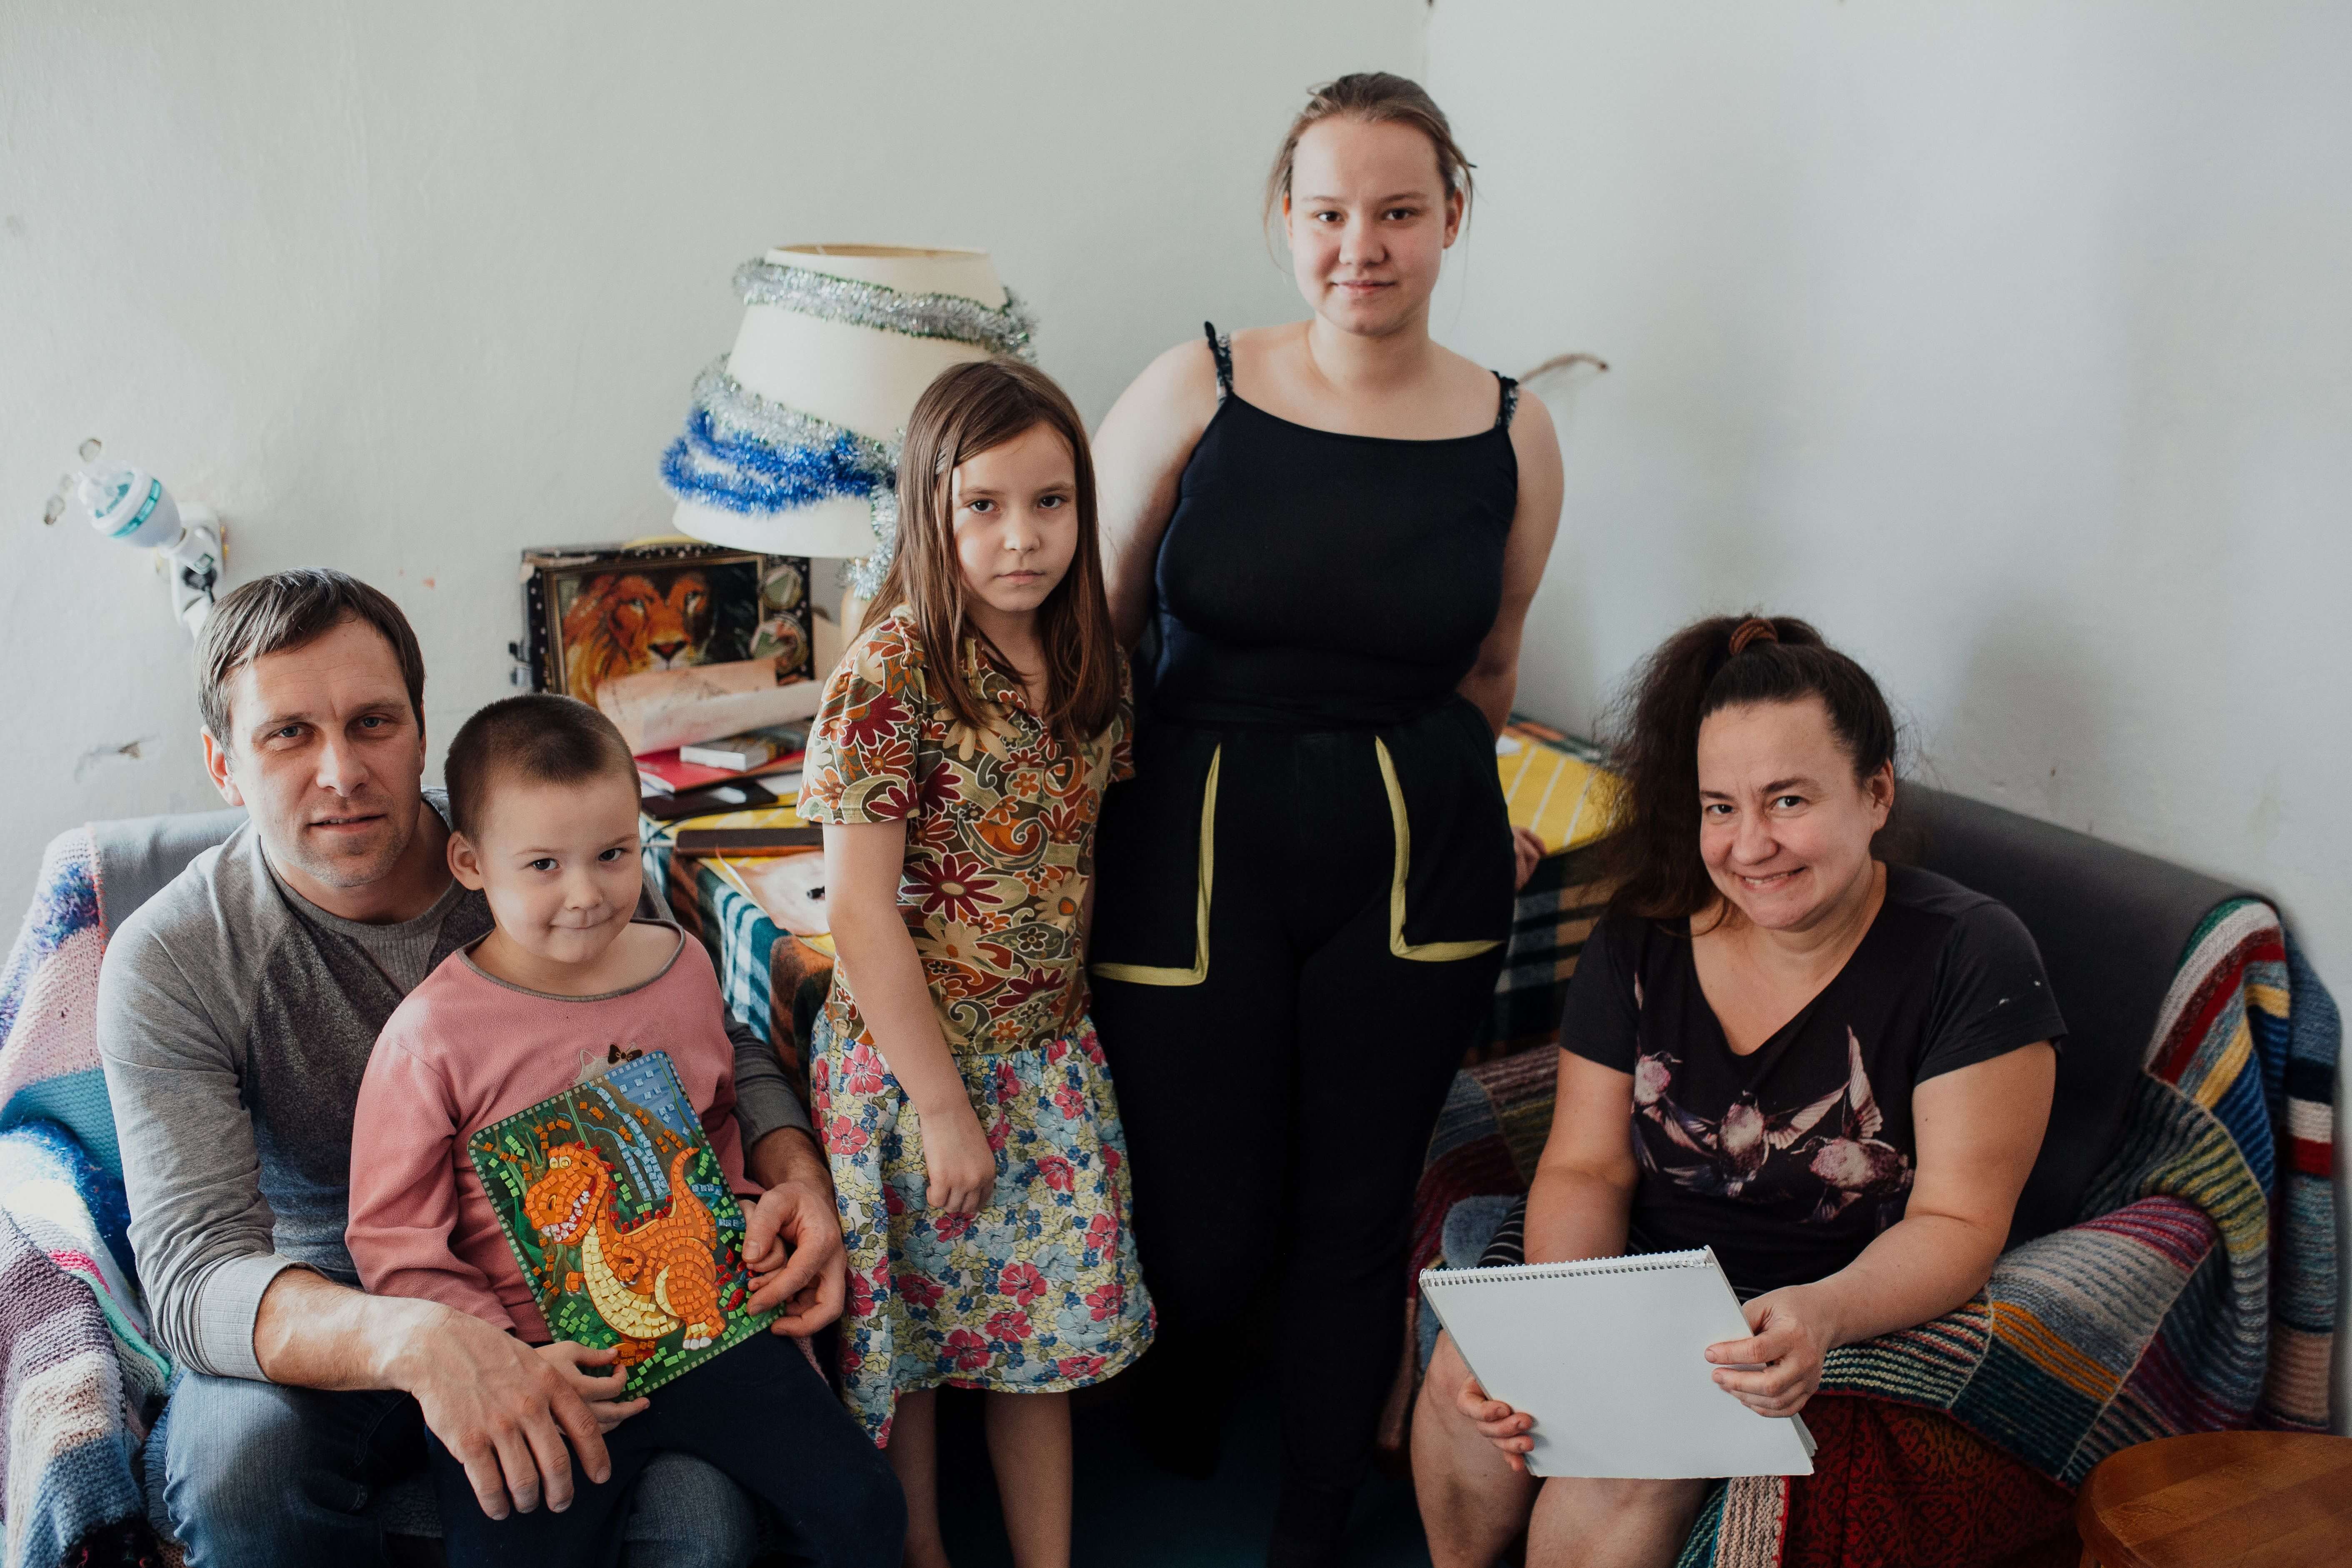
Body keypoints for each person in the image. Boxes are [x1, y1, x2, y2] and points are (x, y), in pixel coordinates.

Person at [96, 569, 851, 1567]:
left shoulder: (542, 847)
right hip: (323, 1310)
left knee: (705, 1527)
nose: (342, 771)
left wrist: (795, 1174)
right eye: (289, 734)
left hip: (591, 1293)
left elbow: (715, 1035)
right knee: (239, 1472)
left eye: (374, 722)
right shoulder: (175, 958)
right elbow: (195, 1277)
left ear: (419, 726)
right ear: (223, 763)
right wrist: (420, 1340)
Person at [1083, 70, 1563, 1563]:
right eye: (1330, 212)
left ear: (1451, 219)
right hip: (1192, 833)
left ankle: (1305, 1516)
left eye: (1400, 213)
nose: (1364, 244)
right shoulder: (1197, 383)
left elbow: (1491, 664)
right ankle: (1179, 1385)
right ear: (1284, 223)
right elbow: (1094, 632)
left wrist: (1456, 813)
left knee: (1358, 1204)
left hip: (1412, 856)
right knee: (1208, 1215)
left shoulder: (1512, 429)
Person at [1410, 615, 2063, 1568]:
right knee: (1463, 1377)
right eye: (1721, 807)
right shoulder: (1643, 940)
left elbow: (1960, 1222)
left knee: (1618, 1477)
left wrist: (1823, 1312)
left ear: (1876, 792)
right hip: (1644, 1277)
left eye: (1787, 800)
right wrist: (1562, 1322)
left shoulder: (1972, 954)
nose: (1750, 845)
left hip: (1822, 1300)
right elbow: (1588, 1165)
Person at [342, 693, 904, 1567]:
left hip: (711, 1322)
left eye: (612, 853)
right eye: (542, 864)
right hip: (539, 1367)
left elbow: (721, 1122)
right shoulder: (429, 1038)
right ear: (469, 861)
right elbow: (395, 1238)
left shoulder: (681, 962)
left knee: (864, 1511)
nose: (586, 893)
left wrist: (761, 1213)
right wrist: (499, 1357)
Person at [798, 359, 1154, 1568]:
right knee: (919, 1348)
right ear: (930, 512)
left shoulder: (1092, 665)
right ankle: (923, 1550)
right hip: (917, 1070)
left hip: (1047, 1057)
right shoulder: (890, 676)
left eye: (1049, 503)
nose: (1021, 537)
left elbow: (1080, 861)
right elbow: (855, 908)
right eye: (983, 507)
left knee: (1034, 1342)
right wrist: (941, 1105)